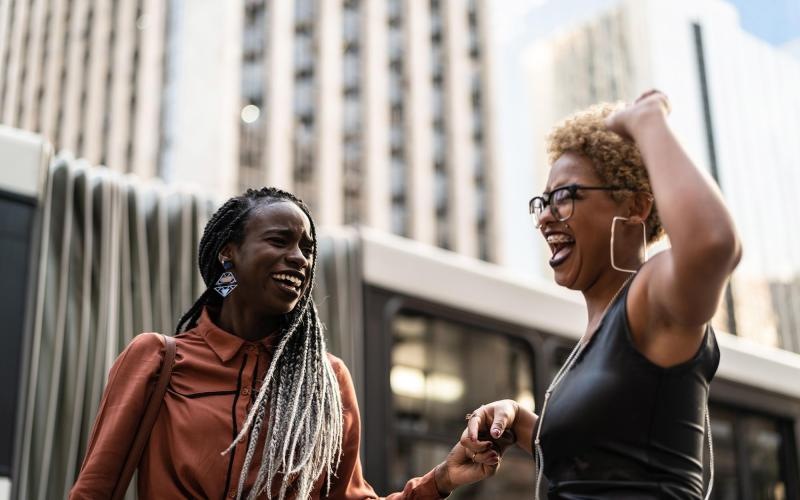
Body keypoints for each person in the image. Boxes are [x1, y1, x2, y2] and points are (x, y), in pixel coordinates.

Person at [70, 187, 501, 499]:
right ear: (229, 253)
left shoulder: (327, 381)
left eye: (307, 248)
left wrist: (441, 479)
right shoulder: (157, 358)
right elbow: (93, 491)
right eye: (279, 240)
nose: (299, 258)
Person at [461, 91, 741, 499]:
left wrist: (647, 121)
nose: (543, 216)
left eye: (565, 197)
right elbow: (607, 464)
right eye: (542, 201)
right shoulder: (598, 331)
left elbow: (712, 243)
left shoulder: (650, 296)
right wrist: (521, 424)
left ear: (636, 206)